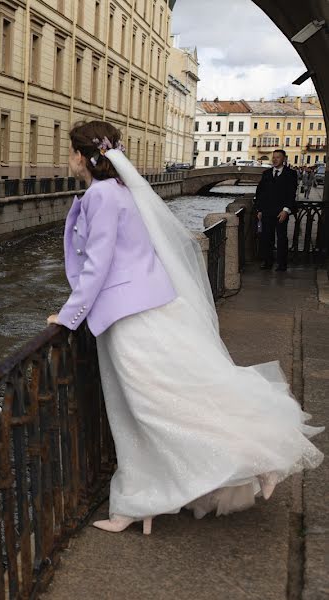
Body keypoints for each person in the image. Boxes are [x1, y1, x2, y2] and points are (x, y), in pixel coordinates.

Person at [47, 120, 322, 535]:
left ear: (84, 157)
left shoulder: (102, 196)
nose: (67, 160)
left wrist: (67, 315)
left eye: (69, 152)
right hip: (151, 305)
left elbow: (98, 264)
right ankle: (151, 498)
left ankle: (231, 467)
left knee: (150, 409)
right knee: (179, 394)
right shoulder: (122, 191)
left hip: (128, 316)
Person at [254, 149, 298, 271]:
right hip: (267, 211)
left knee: (282, 238)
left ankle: (282, 264)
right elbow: (260, 193)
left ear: (284, 159)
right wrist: (259, 209)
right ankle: (267, 261)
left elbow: (291, 193)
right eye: (273, 157)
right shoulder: (266, 173)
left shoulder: (291, 174)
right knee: (266, 237)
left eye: (278, 157)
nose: (274, 159)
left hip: (281, 212)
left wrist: (286, 210)